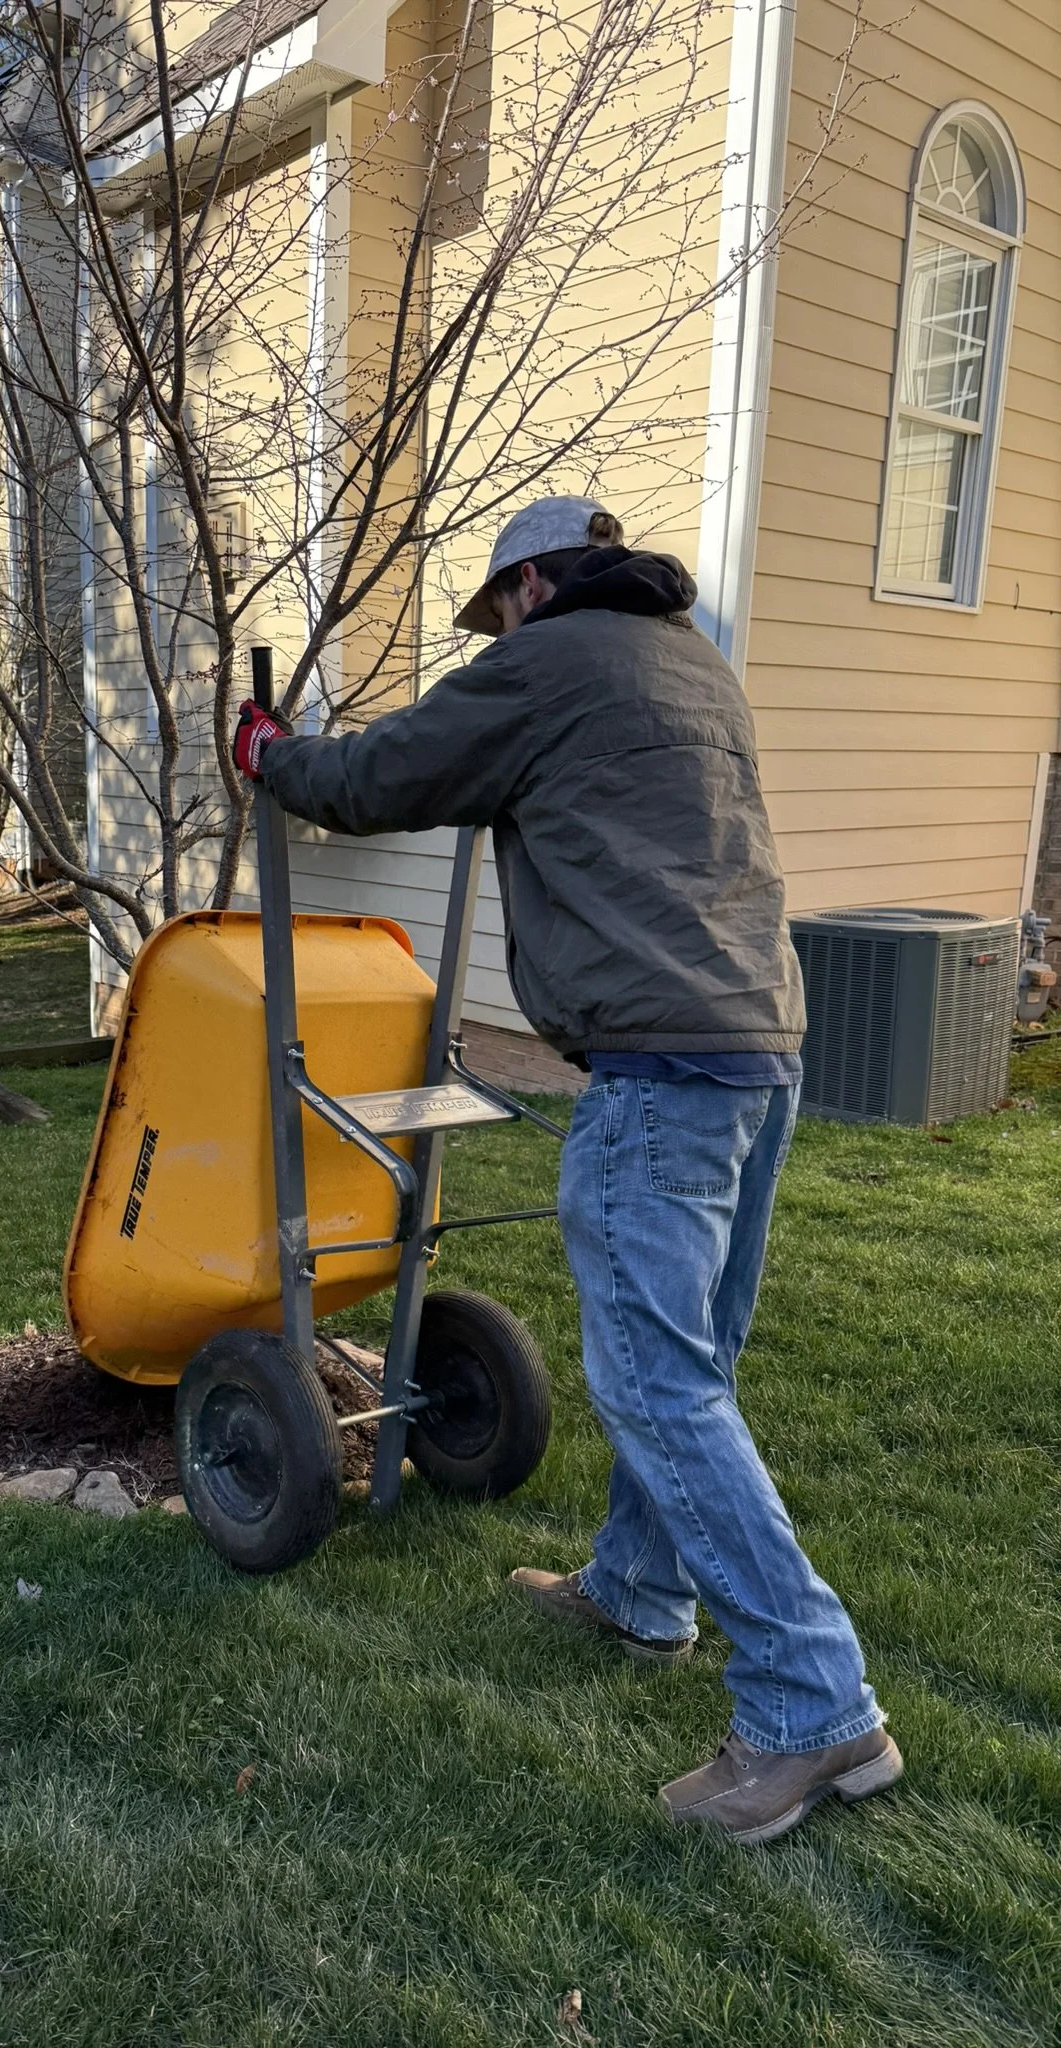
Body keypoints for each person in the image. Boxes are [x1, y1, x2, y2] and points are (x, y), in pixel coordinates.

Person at [232, 495, 902, 1845]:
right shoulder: (693, 660)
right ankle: (642, 1590)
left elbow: (382, 777)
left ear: (532, 586)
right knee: (692, 1363)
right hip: (758, 1050)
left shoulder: (555, 659)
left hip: (657, 1069)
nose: (495, 631)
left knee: (657, 1385)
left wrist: (274, 754)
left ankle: (811, 1704)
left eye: (495, 610)